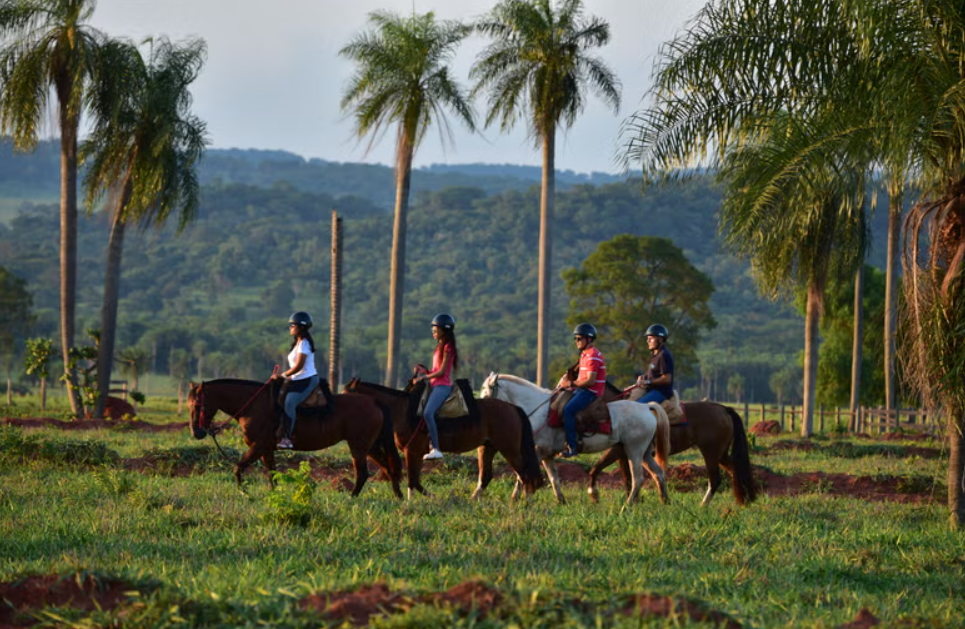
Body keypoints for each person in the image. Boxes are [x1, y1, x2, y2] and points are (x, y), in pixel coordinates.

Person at [414, 313, 459, 460]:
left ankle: (436, 448)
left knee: (428, 413)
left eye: (435, 328)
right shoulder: (439, 347)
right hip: (434, 385)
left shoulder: (448, 347)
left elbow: (441, 371)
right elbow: (435, 369)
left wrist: (423, 378)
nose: (433, 331)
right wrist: (424, 371)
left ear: (444, 330)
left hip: (442, 386)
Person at [271, 311, 319, 449]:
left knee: (290, 402)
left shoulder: (304, 343)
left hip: (307, 379)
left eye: (293, 325)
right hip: (297, 378)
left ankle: (286, 438)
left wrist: (283, 375)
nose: (290, 327)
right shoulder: (297, 343)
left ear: (301, 327)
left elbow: (299, 366)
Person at [558, 323, 606, 458]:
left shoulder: (593, 355)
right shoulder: (584, 355)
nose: (576, 341)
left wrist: (571, 383)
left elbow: (590, 381)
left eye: (579, 338)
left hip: (591, 392)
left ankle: (572, 446)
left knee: (568, 410)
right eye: (575, 339)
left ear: (589, 339)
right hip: (581, 389)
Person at [636, 323, 674, 404]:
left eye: (651, 338)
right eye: (647, 339)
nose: (648, 341)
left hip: (661, 392)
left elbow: (667, 378)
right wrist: (643, 377)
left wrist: (648, 382)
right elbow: (653, 374)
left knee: (638, 405)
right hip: (651, 390)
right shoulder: (654, 355)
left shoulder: (663, 355)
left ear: (660, 339)